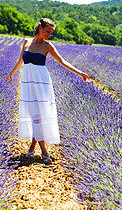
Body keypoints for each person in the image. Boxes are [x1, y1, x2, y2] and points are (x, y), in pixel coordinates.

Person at [7, 18, 90, 165]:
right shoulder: (26, 42)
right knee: (35, 115)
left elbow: (62, 62)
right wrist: (12, 73)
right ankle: (32, 149)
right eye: (47, 32)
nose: (49, 35)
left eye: (51, 33)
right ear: (40, 28)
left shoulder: (48, 46)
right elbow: (21, 60)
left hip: (41, 83)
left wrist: (81, 73)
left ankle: (44, 152)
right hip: (28, 83)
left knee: (38, 116)